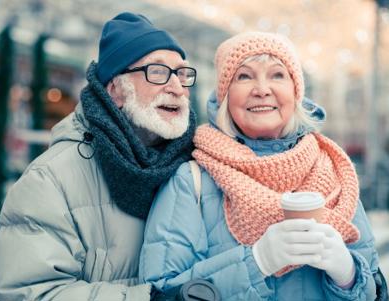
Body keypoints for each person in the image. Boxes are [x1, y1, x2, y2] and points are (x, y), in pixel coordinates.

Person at [140, 32, 379, 300]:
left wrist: (349, 276)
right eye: (244, 76)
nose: (262, 89)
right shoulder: (192, 181)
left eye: (277, 75)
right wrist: (256, 263)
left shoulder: (335, 173)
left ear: (295, 92)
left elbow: (376, 289)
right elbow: (160, 293)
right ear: (225, 95)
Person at [0, 12, 197, 301]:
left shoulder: (198, 166)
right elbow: (32, 293)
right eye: (158, 72)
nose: (176, 87)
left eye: (182, 73)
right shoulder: (50, 180)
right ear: (115, 90)